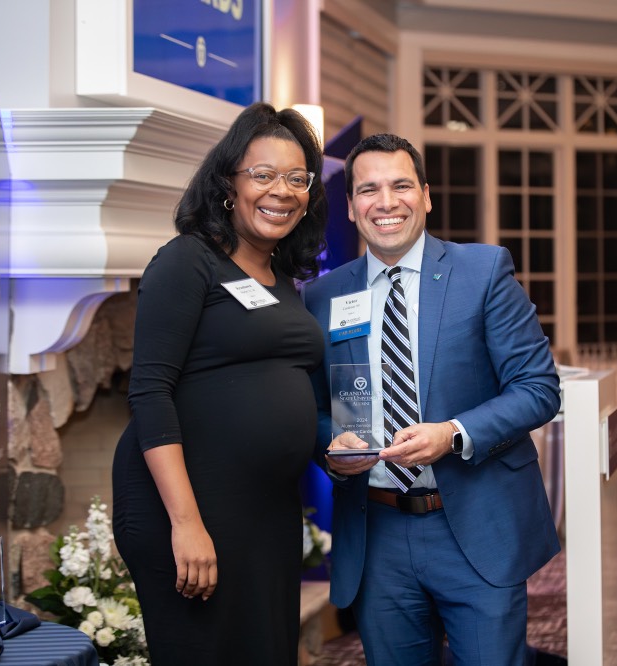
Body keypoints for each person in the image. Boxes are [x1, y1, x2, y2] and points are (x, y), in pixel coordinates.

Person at [302, 133, 561, 665]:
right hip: (377, 535)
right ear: (350, 207)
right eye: (368, 189)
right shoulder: (325, 295)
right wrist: (332, 442)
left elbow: (538, 388)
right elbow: (312, 408)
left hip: (473, 522)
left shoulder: (483, 272)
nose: (387, 202)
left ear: (426, 195)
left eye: (401, 185)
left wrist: (453, 433)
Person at [111, 102, 327, 664]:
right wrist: (187, 525)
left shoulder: (280, 277)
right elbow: (149, 393)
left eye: (297, 178)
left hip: (268, 511)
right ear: (228, 182)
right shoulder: (188, 261)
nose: (282, 190)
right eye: (263, 174)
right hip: (190, 507)